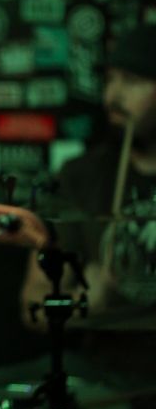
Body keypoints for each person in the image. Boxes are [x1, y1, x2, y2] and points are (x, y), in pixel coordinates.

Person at [22, 22, 156, 330]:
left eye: (132, 81)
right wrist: (79, 303)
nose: (112, 96)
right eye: (110, 80)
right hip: (104, 355)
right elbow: (33, 306)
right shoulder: (80, 177)